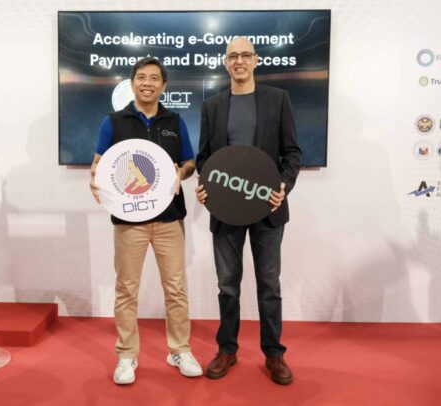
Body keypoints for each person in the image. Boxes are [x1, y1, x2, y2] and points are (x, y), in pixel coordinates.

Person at [195, 37, 302, 385]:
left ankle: (274, 354)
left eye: (245, 55)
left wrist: (282, 187)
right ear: (225, 62)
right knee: (228, 285)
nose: (239, 61)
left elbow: (292, 153)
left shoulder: (278, 99)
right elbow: (204, 158)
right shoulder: (211, 105)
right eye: (233, 56)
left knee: (269, 285)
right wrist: (205, 186)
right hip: (226, 209)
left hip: (268, 208)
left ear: (256, 60)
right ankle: (227, 349)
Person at [89, 57, 202, 385]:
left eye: (154, 78)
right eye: (141, 77)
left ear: (163, 86)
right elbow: (99, 164)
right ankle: (126, 356)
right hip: (129, 221)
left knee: (176, 288)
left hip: (169, 218)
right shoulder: (113, 122)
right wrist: (94, 179)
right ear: (132, 82)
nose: (147, 83)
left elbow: (190, 162)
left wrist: (181, 172)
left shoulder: (175, 121)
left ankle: (179, 350)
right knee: (126, 289)